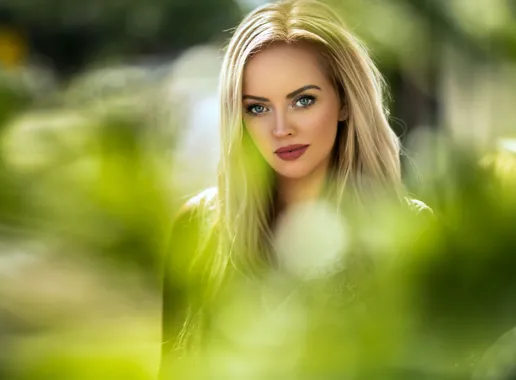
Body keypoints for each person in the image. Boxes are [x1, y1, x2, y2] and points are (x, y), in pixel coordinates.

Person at [160, 0, 431, 377]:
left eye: (303, 100)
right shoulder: (198, 228)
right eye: (257, 108)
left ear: (345, 103)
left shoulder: (409, 234)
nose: (280, 128)